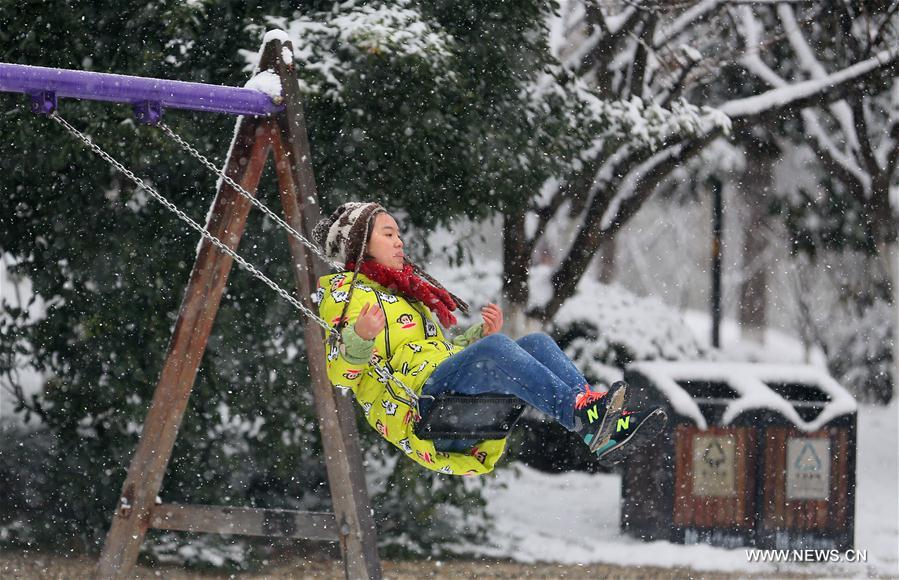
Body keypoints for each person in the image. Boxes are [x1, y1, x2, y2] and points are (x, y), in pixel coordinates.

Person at [312, 202, 667, 476]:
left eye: (398, 234)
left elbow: (431, 356)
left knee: (537, 342)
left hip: (441, 390)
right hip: (420, 408)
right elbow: (341, 375)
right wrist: (359, 337)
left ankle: (594, 422)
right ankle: (584, 417)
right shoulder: (346, 295)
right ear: (359, 243)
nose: (399, 241)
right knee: (497, 350)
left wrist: (475, 338)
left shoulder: (406, 296)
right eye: (388, 234)